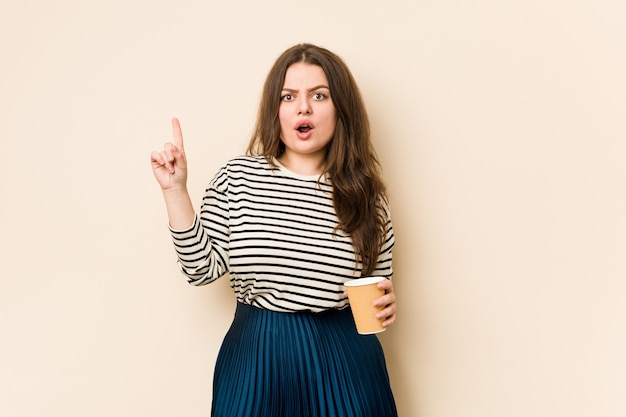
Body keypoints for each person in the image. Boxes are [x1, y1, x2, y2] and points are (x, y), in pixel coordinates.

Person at [150, 43, 398, 417]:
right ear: (275, 110)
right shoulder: (238, 179)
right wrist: (175, 191)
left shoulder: (368, 196)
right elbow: (200, 270)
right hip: (256, 355)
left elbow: (377, 292)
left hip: (345, 359)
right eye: (288, 96)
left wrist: (387, 303)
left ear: (341, 109)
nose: (304, 108)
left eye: (319, 95)